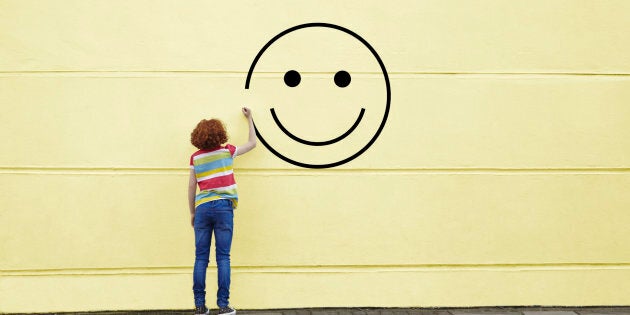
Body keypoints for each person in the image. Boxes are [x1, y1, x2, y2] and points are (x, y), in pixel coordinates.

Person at [188, 107, 256, 315]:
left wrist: (192, 212)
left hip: (203, 208)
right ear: (220, 134)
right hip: (224, 207)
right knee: (223, 257)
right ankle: (223, 305)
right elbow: (253, 143)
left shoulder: (195, 158)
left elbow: (191, 186)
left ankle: (200, 306)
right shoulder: (227, 151)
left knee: (201, 257)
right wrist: (250, 118)